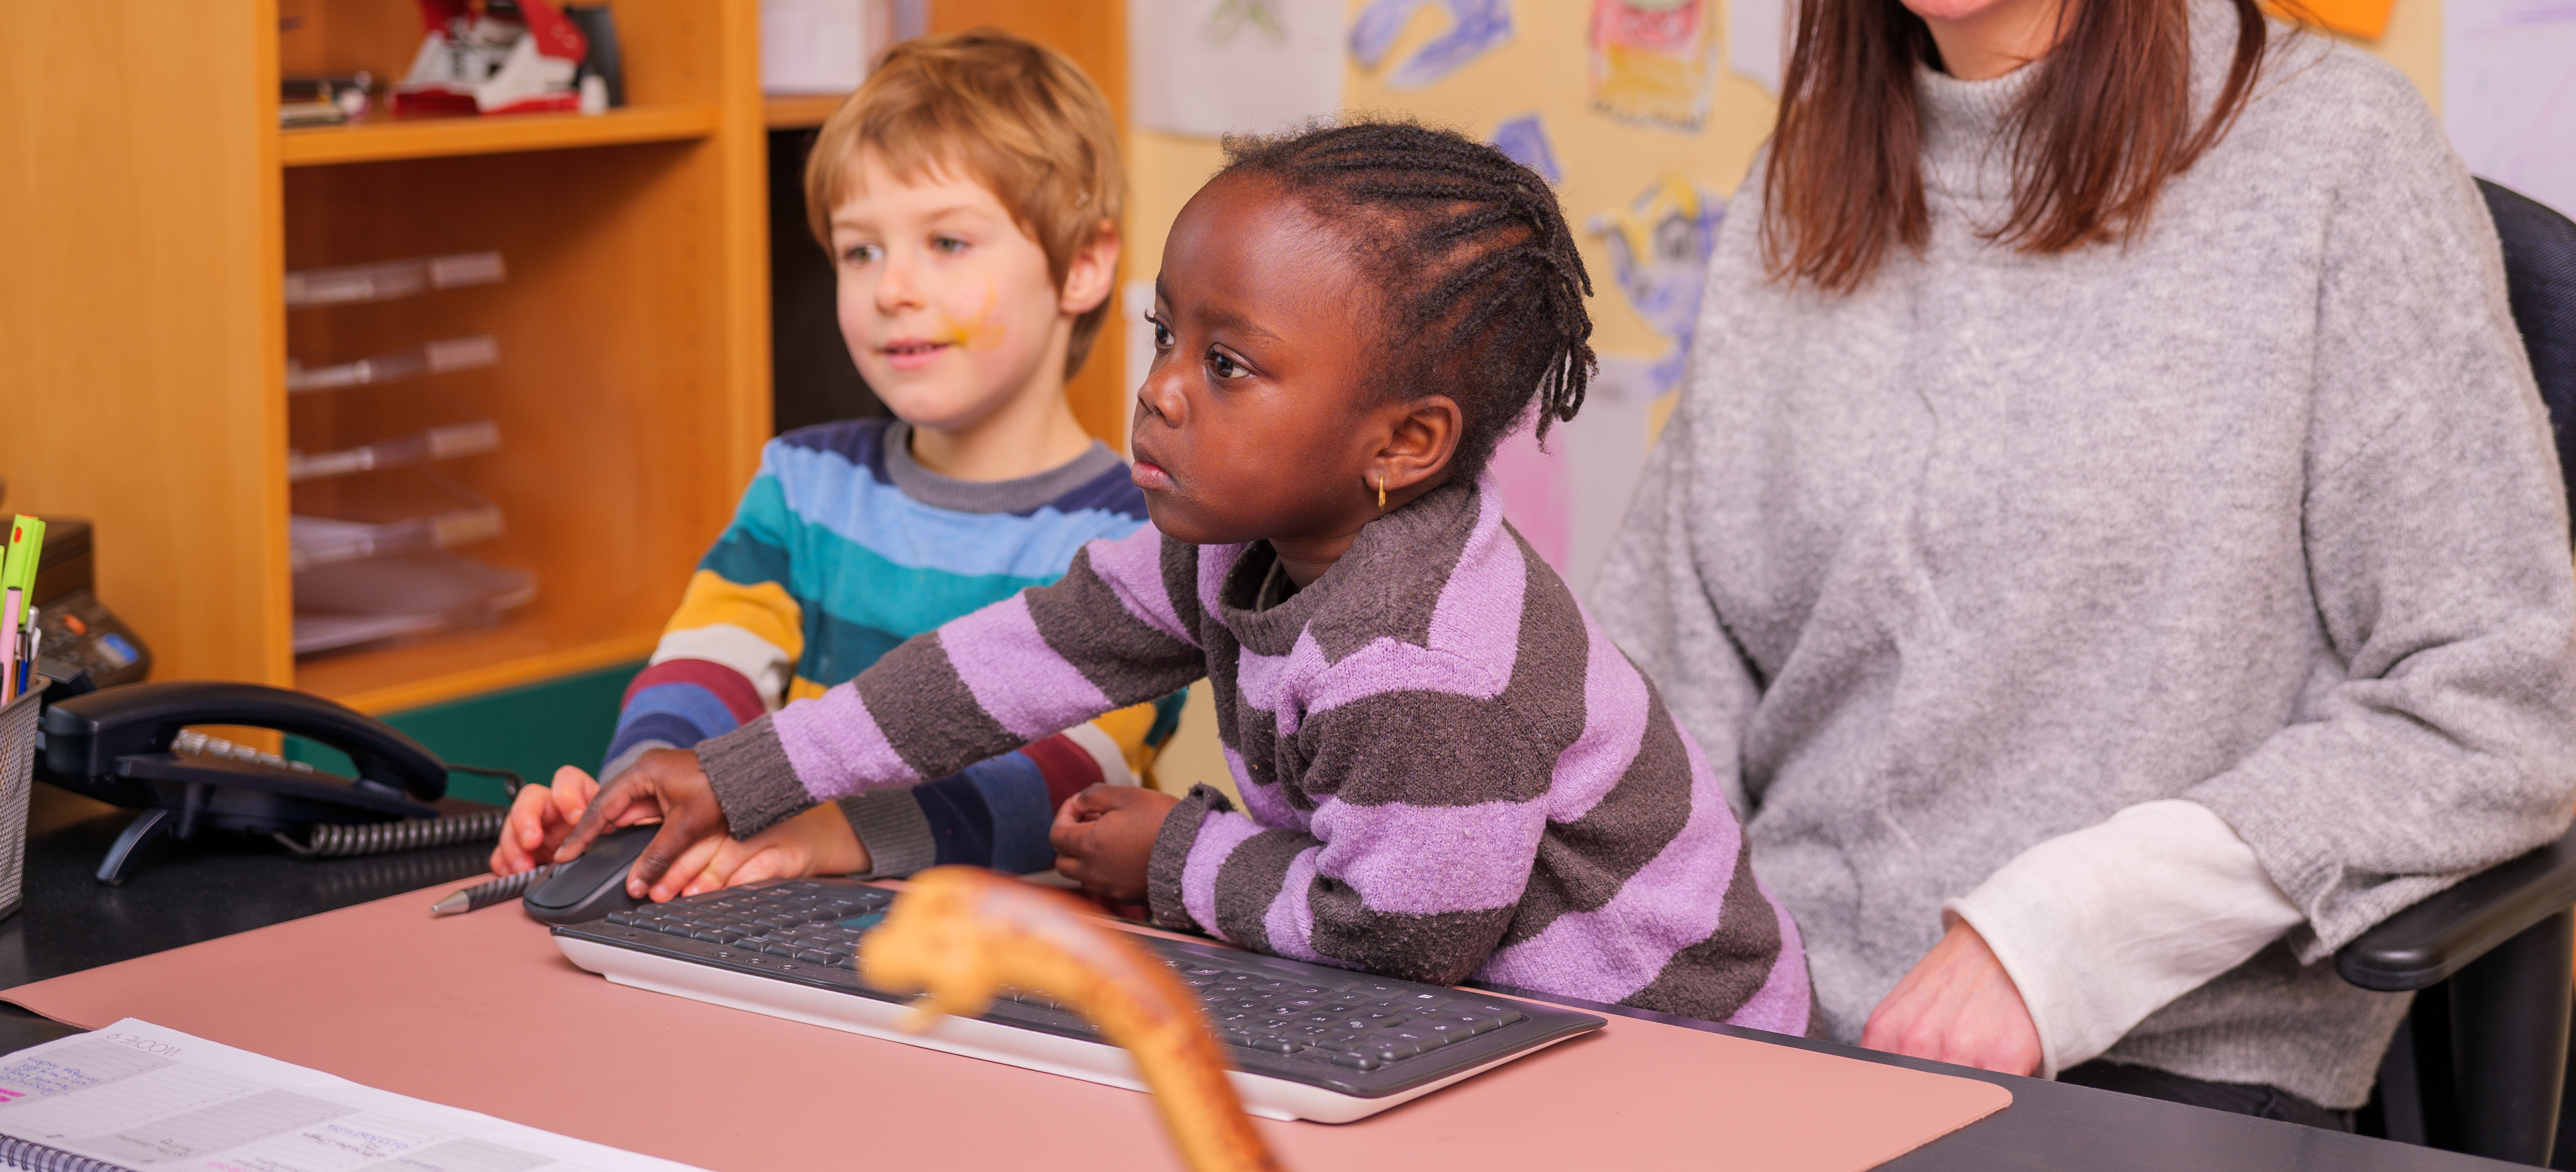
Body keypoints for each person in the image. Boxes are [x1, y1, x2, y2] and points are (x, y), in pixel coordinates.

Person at [1591, 0, 2576, 1128]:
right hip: (1782, 1040)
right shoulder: (1805, 178)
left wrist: (2058, 936)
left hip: (2157, 1076)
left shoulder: (2333, 160)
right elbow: (1662, 676)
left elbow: (2494, 707)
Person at [559, 122, 1813, 1033]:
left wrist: (1177, 852)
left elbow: (1399, 941)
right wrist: (739, 772)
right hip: (1489, 1016)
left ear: (1403, 442)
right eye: (1170, 336)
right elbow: (1008, 663)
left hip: (1675, 1055)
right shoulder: (1226, 542)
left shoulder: (1423, 665)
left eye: (1229, 365)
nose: (1159, 387)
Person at [492, 30, 1181, 889]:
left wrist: (833, 834)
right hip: (790, 916)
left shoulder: (1147, 534)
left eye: (948, 243)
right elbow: (707, 667)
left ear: (1083, 266)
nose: (892, 288)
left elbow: (1069, 783)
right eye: (862, 251)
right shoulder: (803, 486)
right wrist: (648, 789)